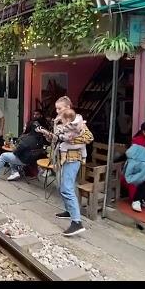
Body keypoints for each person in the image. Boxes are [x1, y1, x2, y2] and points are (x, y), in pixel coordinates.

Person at [39, 96, 94, 236]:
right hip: (61, 158)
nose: (57, 111)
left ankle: (77, 222)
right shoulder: (60, 122)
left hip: (72, 158)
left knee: (67, 188)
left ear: (68, 107)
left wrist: (69, 139)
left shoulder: (77, 121)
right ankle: (69, 211)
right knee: (61, 186)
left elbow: (89, 137)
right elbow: (57, 138)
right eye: (56, 108)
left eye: (60, 108)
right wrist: (48, 134)